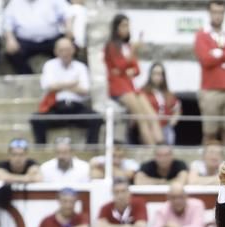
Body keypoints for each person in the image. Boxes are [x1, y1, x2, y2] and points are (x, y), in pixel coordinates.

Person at [30, 37, 103, 146]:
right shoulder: (50, 65)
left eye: (68, 49)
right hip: (56, 107)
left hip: (76, 108)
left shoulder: (80, 67)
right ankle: (42, 150)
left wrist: (60, 85)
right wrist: (72, 84)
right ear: (55, 51)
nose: (65, 53)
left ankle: (90, 151)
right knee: (36, 119)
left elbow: (85, 90)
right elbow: (48, 86)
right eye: (61, 50)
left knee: (96, 119)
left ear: (73, 50)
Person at [104, 15, 161, 146]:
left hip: (129, 86)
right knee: (141, 118)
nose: (126, 29)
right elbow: (120, 65)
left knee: (152, 115)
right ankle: (152, 148)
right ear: (116, 28)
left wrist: (126, 69)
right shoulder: (111, 46)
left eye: (128, 26)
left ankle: (161, 144)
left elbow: (136, 69)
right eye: (123, 26)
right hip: (119, 88)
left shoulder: (127, 47)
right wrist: (131, 57)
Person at [194, 0, 225, 146]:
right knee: (209, 133)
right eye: (215, 12)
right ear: (209, 13)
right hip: (210, 90)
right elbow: (205, 59)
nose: (218, 16)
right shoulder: (202, 35)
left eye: (221, 12)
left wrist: (219, 54)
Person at [2, 0, 68, 75]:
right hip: (25, 41)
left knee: (66, 47)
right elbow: (7, 24)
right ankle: (27, 76)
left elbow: (68, 14)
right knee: (12, 52)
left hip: (52, 40)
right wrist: (10, 39)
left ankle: (60, 75)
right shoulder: (14, 3)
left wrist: (68, 29)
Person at [139, 62, 181, 146]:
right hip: (149, 128)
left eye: (161, 74)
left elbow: (177, 108)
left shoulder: (168, 93)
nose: (158, 77)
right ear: (150, 75)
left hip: (166, 127)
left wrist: (172, 122)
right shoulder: (143, 92)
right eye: (155, 73)